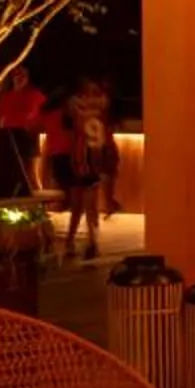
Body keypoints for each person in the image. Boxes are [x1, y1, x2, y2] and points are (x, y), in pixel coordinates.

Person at [57, 78, 120, 257]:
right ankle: (81, 242)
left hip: (87, 160)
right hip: (82, 159)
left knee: (87, 204)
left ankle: (89, 242)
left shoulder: (78, 106)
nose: (90, 96)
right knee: (79, 204)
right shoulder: (100, 108)